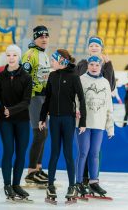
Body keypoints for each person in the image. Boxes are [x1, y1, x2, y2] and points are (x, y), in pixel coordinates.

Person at [39, 49, 86, 202]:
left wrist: (83, 122)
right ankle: (50, 186)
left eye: (54, 60)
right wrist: (42, 118)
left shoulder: (74, 76)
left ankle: (72, 186)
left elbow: (82, 99)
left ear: (62, 61)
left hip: (68, 120)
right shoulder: (52, 76)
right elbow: (47, 99)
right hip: (54, 119)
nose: (52, 62)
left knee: (67, 153)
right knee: (54, 152)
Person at [0, 45, 32, 200]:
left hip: (22, 119)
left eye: (14, 55)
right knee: (8, 151)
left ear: (19, 57)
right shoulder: (1, 76)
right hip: (5, 121)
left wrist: (12, 110)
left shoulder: (27, 77)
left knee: (21, 153)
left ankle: (16, 185)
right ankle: (7, 185)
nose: (11, 58)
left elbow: (26, 101)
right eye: (8, 55)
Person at [75, 35, 116, 186]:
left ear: (101, 49)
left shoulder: (105, 65)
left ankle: (93, 180)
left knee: (94, 152)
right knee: (84, 151)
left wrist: (109, 65)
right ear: (88, 48)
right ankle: (82, 180)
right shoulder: (81, 64)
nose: (94, 48)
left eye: (97, 46)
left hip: (98, 114)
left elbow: (110, 86)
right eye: (91, 45)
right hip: (84, 115)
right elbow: (77, 87)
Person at [22, 25, 51, 184]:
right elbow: (23, 78)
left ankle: (38, 168)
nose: (44, 38)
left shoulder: (44, 54)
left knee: (44, 134)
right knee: (39, 134)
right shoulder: (30, 54)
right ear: (35, 38)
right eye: (41, 36)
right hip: (33, 98)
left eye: (46, 36)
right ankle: (31, 171)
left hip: (42, 98)